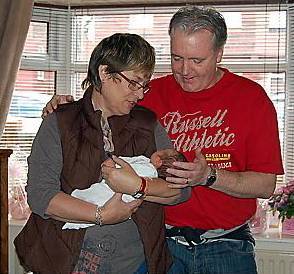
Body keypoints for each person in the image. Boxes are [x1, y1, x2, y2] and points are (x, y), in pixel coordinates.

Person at [41, 6, 284, 274]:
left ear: (219, 54)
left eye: (196, 60)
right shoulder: (151, 93)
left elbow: (265, 185)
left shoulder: (252, 99)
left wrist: (209, 176)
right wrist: (65, 107)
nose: (185, 70)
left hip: (225, 245)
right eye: (176, 58)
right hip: (160, 242)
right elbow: (105, 102)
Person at [14, 33, 190, 274]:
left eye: (144, 85)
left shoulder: (147, 123)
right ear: (105, 73)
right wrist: (101, 215)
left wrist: (138, 185)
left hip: (140, 263)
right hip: (68, 261)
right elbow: (41, 195)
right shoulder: (60, 122)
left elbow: (181, 189)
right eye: (133, 83)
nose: (139, 94)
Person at [63, 151, 187, 230]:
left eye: (163, 151)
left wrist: (112, 164)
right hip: (119, 202)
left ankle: (72, 212)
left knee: (91, 199)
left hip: (112, 195)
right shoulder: (151, 173)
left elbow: (122, 172)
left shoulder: (147, 169)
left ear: (159, 161)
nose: (159, 149)